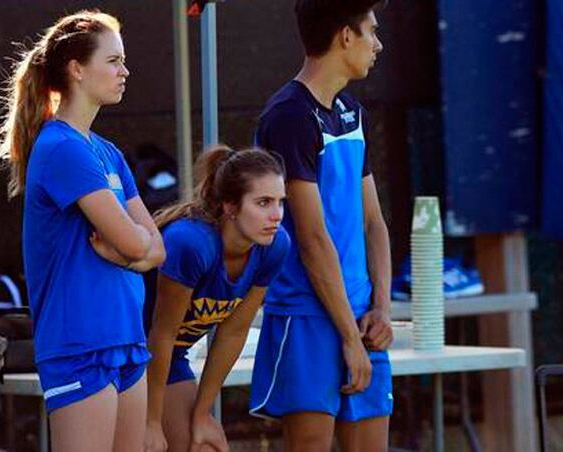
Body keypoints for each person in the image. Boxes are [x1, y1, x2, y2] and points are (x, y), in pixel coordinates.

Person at [0, 10, 165, 452]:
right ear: (76, 69)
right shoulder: (60, 147)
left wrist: (127, 253)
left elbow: (156, 249)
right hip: (78, 345)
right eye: (113, 61)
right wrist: (133, 250)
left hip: (127, 340)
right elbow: (135, 241)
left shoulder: (107, 152)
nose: (125, 71)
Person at [248, 1, 394, 451]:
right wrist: (348, 337)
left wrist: (382, 310)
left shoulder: (352, 112)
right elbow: (311, 239)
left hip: (362, 316)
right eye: (371, 31)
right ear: (345, 37)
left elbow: (374, 222)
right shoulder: (289, 115)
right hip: (307, 317)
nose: (378, 43)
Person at [144, 146, 290, 452]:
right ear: (230, 206)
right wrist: (152, 422)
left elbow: (233, 331)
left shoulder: (273, 246)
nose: (276, 215)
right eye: (263, 202)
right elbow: (162, 334)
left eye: (280, 202)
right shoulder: (192, 244)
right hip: (119, 354)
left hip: (168, 360)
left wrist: (202, 414)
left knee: (204, 444)